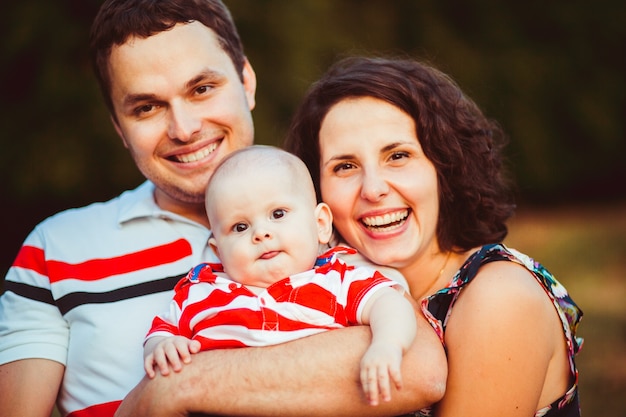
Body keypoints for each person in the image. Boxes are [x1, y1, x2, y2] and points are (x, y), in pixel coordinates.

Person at [0, 2, 446, 417]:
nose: (185, 128)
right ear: (119, 127)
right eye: (147, 107)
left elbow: (420, 371)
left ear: (246, 82)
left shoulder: (333, 214)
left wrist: (176, 387)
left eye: (202, 88)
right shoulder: (56, 249)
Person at [284, 56, 584, 416]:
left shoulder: (498, 297)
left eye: (397, 155)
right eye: (345, 166)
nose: (374, 189)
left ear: (443, 166)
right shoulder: (326, 291)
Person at [143, 145, 417, 406]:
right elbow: (160, 332)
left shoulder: (337, 279)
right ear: (218, 252)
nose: (261, 233)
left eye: (277, 214)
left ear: (320, 224)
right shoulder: (200, 292)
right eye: (240, 227)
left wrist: (387, 345)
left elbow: (389, 304)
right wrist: (163, 346)